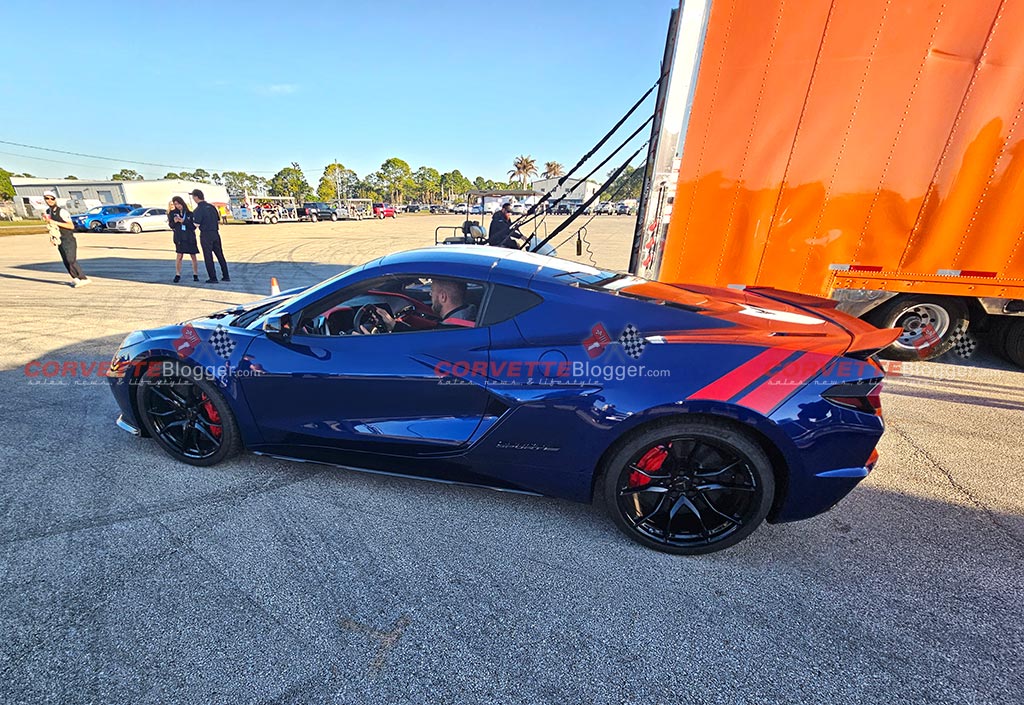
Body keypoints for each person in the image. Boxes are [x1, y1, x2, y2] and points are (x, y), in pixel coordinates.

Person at [43, 191, 90, 287]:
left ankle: (83, 278)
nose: (49, 200)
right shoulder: (48, 212)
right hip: (59, 239)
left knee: (70, 259)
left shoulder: (62, 212)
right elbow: (51, 226)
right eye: (47, 198)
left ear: (55, 199)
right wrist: (52, 237)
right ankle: (75, 278)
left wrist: (54, 222)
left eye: (51, 198)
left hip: (68, 238)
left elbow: (71, 226)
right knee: (65, 260)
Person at [190, 189, 230, 283]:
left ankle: (213, 277)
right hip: (215, 232)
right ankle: (226, 275)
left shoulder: (198, 209)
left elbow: (196, 224)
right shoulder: (212, 207)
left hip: (206, 234)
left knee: (208, 257)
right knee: (220, 255)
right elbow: (217, 220)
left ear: (196, 197)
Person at [168, 196, 199, 282]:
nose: (178, 206)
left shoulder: (190, 213)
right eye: (175, 204)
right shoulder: (172, 213)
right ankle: (178, 274)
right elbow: (171, 225)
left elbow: (193, 227)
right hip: (179, 237)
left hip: (189, 237)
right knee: (179, 256)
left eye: (178, 203)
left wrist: (183, 221)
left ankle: (195, 274)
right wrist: (174, 221)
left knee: (193, 256)